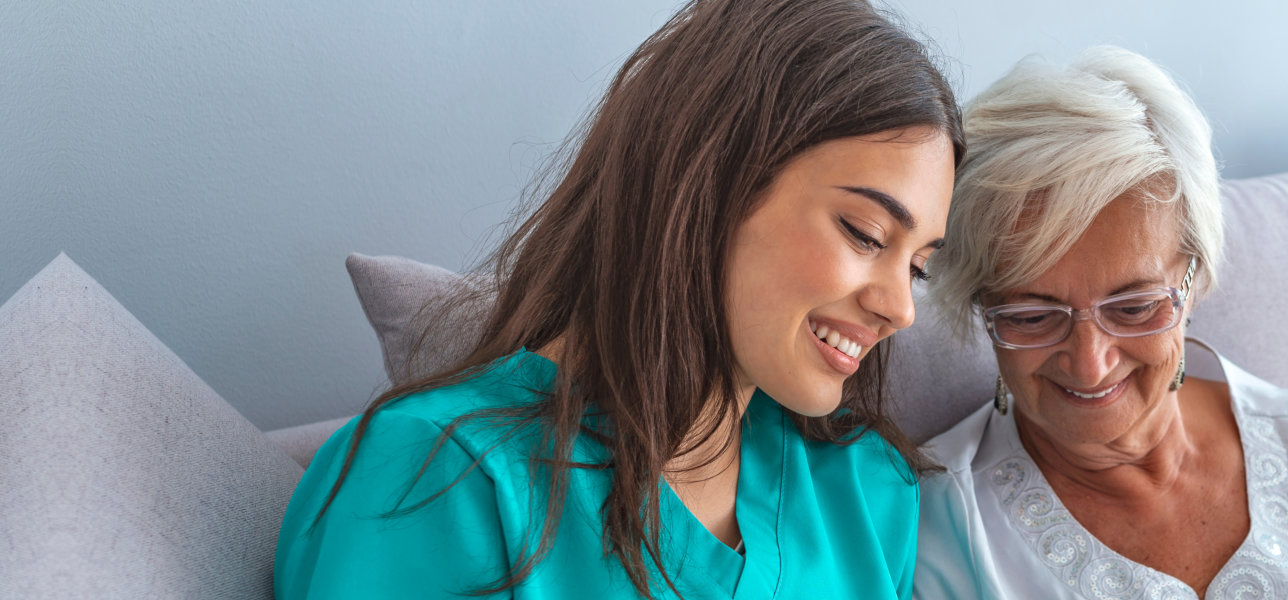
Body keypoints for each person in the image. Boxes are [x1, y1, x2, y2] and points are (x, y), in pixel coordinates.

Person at [274, 0, 962, 597]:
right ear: (708, 185)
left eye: (920, 266)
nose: (900, 307)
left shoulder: (869, 493)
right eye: (866, 234)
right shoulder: (441, 482)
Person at [914, 46, 1288, 599]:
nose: (1091, 361)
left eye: (1135, 307)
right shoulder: (938, 526)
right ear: (980, 306)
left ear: (1194, 282)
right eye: (1033, 316)